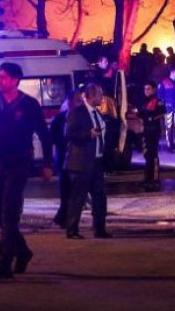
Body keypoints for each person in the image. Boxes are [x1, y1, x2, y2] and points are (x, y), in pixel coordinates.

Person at [0, 62, 53, 280]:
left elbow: (44, 135)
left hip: (19, 164)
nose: (0, 81)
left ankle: (3, 265)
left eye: (4, 77)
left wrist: (48, 164)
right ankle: (23, 251)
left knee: (10, 213)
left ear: (15, 79)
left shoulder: (29, 105)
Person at [64, 84, 110, 239]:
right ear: (91, 96)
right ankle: (72, 230)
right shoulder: (77, 112)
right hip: (81, 163)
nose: (102, 97)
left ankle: (99, 229)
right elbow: (69, 134)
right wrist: (88, 134)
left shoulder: (97, 113)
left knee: (100, 196)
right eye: (100, 95)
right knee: (78, 197)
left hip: (97, 161)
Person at [51, 90, 83, 228]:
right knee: (65, 189)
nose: (80, 103)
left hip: (77, 157)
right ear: (69, 102)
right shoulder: (60, 118)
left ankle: (64, 217)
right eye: (78, 100)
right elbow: (52, 136)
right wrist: (64, 144)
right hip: (63, 157)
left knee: (74, 190)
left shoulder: (83, 117)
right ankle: (64, 218)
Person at [139, 81, 166, 191]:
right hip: (145, 131)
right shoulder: (144, 102)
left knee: (153, 155)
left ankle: (155, 179)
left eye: (149, 89)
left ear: (154, 90)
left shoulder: (158, 101)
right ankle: (147, 179)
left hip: (154, 131)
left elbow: (163, 113)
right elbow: (141, 114)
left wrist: (152, 118)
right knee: (147, 155)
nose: (146, 91)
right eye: (145, 89)